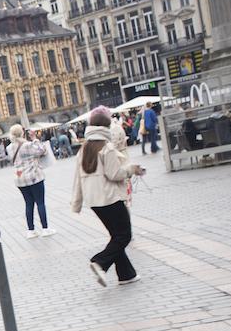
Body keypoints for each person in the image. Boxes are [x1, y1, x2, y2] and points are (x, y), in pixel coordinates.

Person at [72, 107, 146, 286]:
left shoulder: (83, 148)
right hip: (110, 198)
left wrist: (77, 203)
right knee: (124, 235)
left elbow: (77, 178)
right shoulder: (106, 147)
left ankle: (126, 274)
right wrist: (132, 169)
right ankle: (99, 262)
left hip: (94, 201)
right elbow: (115, 174)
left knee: (116, 235)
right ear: (106, 125)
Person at [10, 124, 55, 238]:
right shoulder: (27, 145)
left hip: (20, 179)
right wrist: (35, 139)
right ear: (22, 133)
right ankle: (45, 229)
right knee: (40, 202)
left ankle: (31, 230)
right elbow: (42, 150)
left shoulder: (9, 148)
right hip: (34, 177)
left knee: (28, 204)